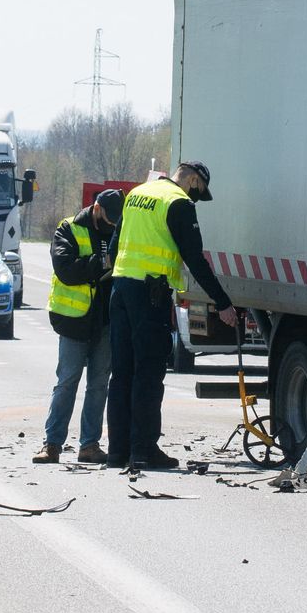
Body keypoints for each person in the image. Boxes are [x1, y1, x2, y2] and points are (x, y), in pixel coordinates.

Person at [105, 162, 239, 469]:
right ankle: (144, 450)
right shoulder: (178, 203)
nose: (196, 199)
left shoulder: (138, 193)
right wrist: (222, 302)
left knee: (122, 373)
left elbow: (114, 249)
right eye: (198, 191)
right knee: (149, 374)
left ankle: (117, 452)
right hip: (149, 295)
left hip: (121, 290)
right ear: (192, 179)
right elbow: (194, 259)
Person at [34, 188, 122, 465]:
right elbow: (67, 270)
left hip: (106, 321)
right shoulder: (69, 228)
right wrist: (103, 263)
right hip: (74, 321)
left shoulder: (118, 231)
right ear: (96, 208)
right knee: (67, 382)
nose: (111, 225)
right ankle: (52, 444)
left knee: (98, 385)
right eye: (109, 219)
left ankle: (90, 446)